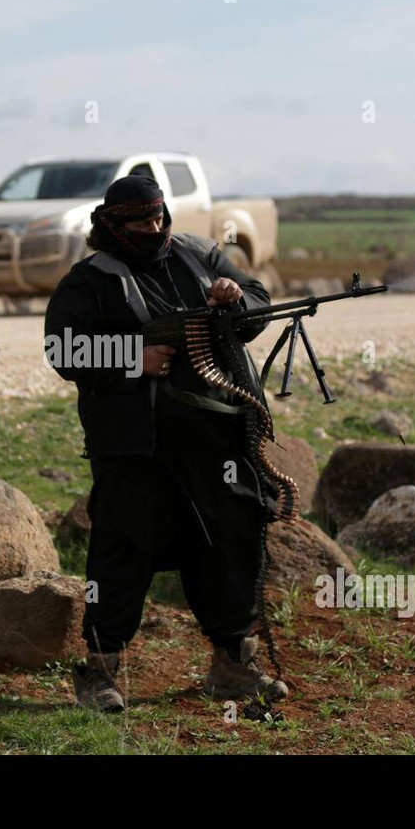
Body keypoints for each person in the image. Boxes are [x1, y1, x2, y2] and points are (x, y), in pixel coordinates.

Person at [44, 175, 288, 712]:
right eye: (140, 223)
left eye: (159, 218)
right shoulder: (89, 281)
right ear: (112, 225)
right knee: (123, 552)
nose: (154, 230)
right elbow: (63, 351)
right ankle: (99, 673)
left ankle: (233, 666)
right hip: (135, 447)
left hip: (217, 439)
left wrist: (235, 297)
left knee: (230, 544)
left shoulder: (199, 255)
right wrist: (136, 358)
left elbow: (259, 302)